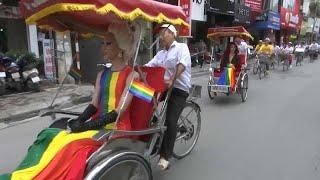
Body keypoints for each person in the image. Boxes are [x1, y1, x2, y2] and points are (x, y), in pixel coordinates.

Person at [0, 23, 140, 179]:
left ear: (121, 47)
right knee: (53, 136)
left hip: (118, 129)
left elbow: (119, 111)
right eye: (102, 43)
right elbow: (93, 105)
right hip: (99, 126)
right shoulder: (102, 74)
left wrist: (86, 126)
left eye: (108, 43)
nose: (103, 47)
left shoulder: (132, 76)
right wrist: (79, 121)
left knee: (70, 145)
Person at [145, 24, 191, 170]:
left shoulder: (182, 48)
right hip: (164, 87)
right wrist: (137, 72)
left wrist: (172, 79)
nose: (160, 37)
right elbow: (149, 65)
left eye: (163, 33)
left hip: (179, 88)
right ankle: (152, 140)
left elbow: (182, 64)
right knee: (150, 114)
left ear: (172, 34)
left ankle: (165, 156)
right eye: (159, 34)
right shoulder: (161, 54)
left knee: (171, 121)